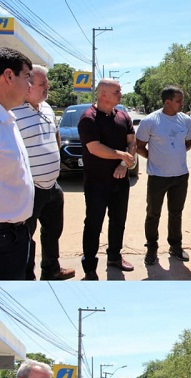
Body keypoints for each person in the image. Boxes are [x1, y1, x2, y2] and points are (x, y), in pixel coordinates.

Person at [12, 65, 74, 281]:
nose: (47, 87)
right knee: (26, 237)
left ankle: (51, 269)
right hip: (29, 190)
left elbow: (56, 137)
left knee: (53, 231)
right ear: (27, 86)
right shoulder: (13, 113)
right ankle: (27, 277)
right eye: (42, 84)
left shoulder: (47, 108)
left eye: (47, 83)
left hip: (52, 186)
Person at [78, 78, 137, 280]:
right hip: (96, 183)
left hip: (120, 181)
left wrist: (123, 164)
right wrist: (121, 155)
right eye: (117, 92)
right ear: (103, 94)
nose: (121, 95)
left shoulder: (123, 115)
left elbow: (132, 142)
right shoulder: (89, 118)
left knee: (118, 221)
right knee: (94, 223)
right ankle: (89, 267)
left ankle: (114, 257)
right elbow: (94, 148)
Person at [136, 85, 191, 266]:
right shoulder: (151, 121)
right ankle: (151, 247)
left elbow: (189, 143)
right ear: (167, 101)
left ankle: (175, 246)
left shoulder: (185, 120)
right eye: (178, 100)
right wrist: (154, 158)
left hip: (180, 176)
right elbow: (139, 146)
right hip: (157, 177)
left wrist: (174, 154)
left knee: (176, 213)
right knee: (153, 213)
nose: (182, 103)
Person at [0, 47, 34, 281]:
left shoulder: (8, 118)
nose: (30, 86)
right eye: (27, 78)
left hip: (17, 234)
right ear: (9, 76)